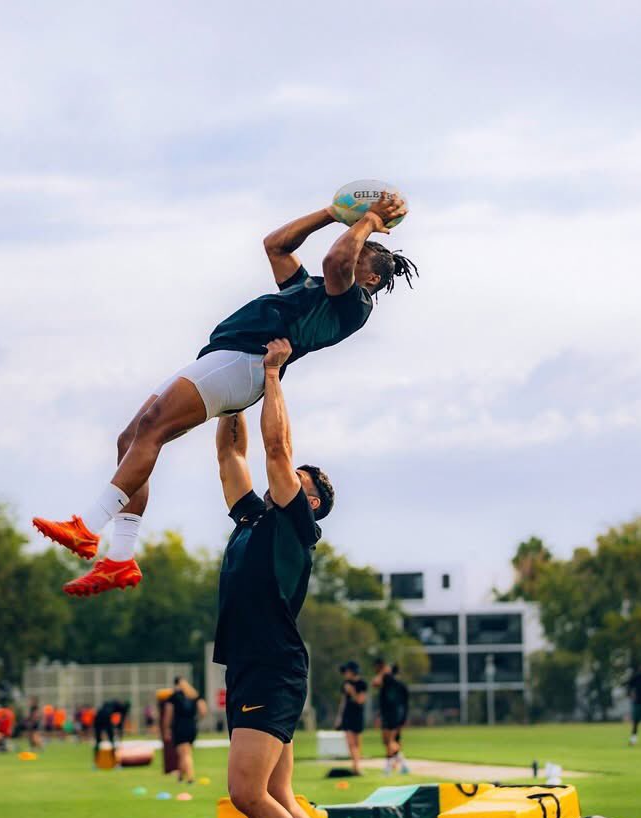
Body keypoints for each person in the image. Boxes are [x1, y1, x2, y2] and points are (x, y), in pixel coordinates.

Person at [33, 194, 416, 598]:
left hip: (246, 362)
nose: (349, 249)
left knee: (152, 427)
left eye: (359, 257)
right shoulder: (309, 289)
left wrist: (369, 221)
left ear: (371, 278)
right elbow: (276, 244)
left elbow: (335, 261)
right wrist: (330, 214)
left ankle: (88, 528)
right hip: (224, 356)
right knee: (130, 439)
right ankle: (120, 559)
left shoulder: (352, 303)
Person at [212, 336, 363, 818]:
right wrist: (228, 381)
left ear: (314, 500)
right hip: (254, 665)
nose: (287, 478)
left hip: (272, 667)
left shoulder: (299, 524)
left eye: (300, 480)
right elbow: (232, 448)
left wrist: (272, 371)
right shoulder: (252, 519)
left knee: (248, 794)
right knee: (276, 796)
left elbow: (276, 448)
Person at [162, 676, 207, 783]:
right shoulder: (194, 695)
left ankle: (190, 777)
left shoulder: (174, 697)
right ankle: (180, 777)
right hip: (191, 726)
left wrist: (166, 728)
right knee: (184, 753)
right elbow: (203, 711)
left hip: (179, 727)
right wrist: (195, 719)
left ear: (176, 684)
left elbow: (168, 714)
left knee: (185, 754)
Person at [372, 658, 410, 774]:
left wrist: (383, 672)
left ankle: (388, 768)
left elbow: (375, 682)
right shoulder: (388, 683)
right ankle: (403, 766)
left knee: (390, 741)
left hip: (395, 716)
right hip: (388, 715)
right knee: (388, 741)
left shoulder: (396, 684)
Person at [335, 662, 367, 776]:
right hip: (347, 716)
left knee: (357, 744)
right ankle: (356, 767)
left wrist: (352, 692)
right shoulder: (345, 684)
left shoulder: (362, 684)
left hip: (357, 716)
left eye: (347, 672)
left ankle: (356, 765)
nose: (345, 674)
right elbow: (343, 702)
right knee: (351, 743)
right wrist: (339, 717)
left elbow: (360, 701)